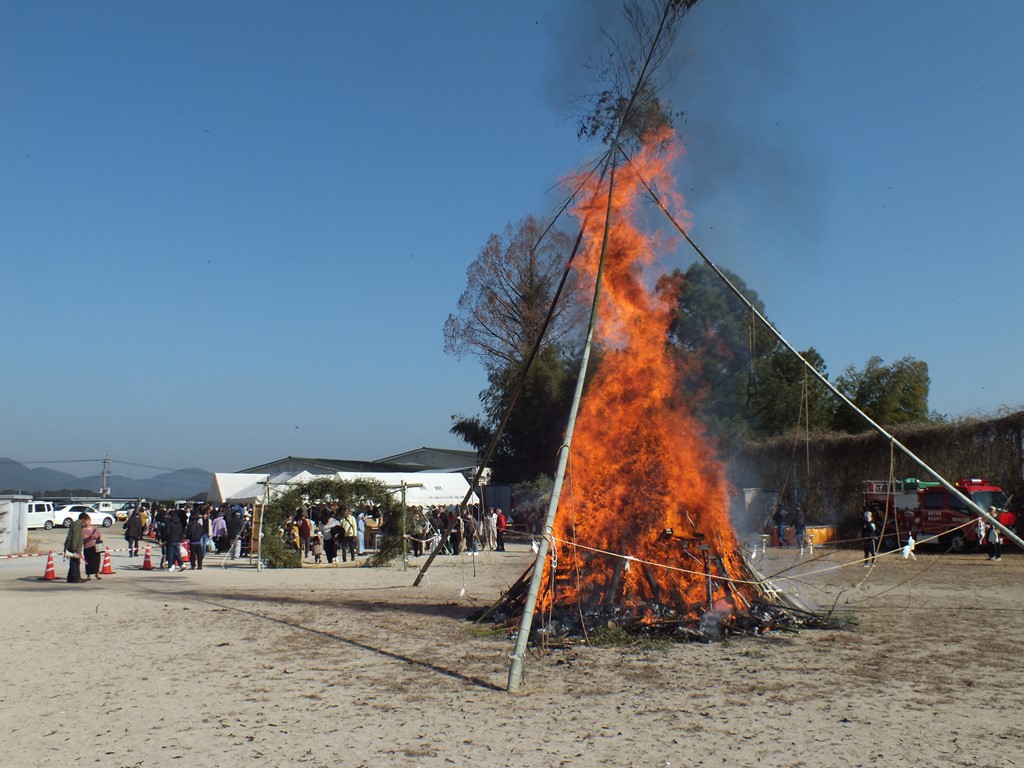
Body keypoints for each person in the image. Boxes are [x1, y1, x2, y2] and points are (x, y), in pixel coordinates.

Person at [64, 513, 86, 583]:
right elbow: (76, 536)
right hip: (74, 547)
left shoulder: (74, 524)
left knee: (73, 562)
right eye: (85, 520)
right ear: (83, 519)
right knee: (75, 563)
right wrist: (74, 546)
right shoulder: (78, 525)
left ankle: (70, 578)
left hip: (70, 546)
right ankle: (76, 578)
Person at [82, 514, 104, 581]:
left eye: (88, 521)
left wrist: (98, 537)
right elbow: (83, 540)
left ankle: (97, 573)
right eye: (85, 521)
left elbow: (99, 535)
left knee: (97, 561)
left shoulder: (95, 528)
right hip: (88, 547)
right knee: (88, 561)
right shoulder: (83, 530)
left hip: (96, 546)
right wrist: (89, 538)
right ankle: (88, 575)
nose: (87, 522)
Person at [165, 507, 185, 571]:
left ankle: (170, 566)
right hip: (178, 539)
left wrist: (165, 539)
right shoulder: (179, 523)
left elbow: (167, 532)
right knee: (177, 553)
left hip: (171, 540)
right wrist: (181, 538)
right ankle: (181, 564)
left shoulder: (170, 523)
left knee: (170, 553)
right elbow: (181, 531)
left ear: (170, 516)